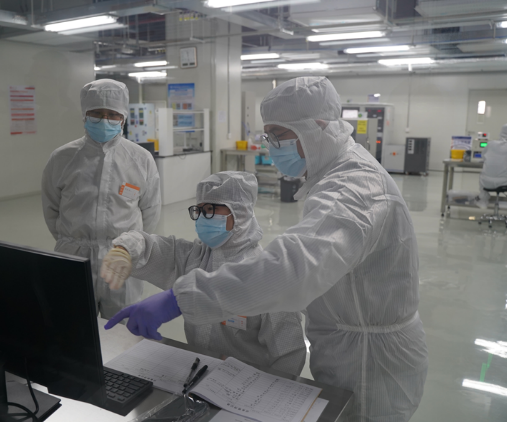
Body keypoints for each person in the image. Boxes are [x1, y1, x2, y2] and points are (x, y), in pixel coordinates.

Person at [105, 76, 427, 421]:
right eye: (268, 136)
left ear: (316, 127)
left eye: (278, 135)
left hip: (371, 362)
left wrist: (178, 299)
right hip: (344, 347)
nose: (271, 146)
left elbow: (292, 270)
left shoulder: (355, 188)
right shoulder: (332, 176)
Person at [99, 172, 306, 376]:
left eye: (211, 209)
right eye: (199, 210)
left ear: (240, 213)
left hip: (247, 384)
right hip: (196, 373)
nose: (202, 218)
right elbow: (152, 247)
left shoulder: (267, 275)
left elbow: (288, 355)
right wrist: (125, 249)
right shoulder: (193, 257)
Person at [42, 79, 161, 317]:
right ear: (85, 114)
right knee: (75, 324)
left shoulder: (140, 159)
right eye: (96, 113)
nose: (105, 120)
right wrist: (73, 241)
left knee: (121, 328)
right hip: (74, 257)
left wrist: (129, 246)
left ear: (123, 118)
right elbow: (51, 208)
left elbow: (150, 210)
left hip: (121, 259)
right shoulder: (63, 158)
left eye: (112, 114)